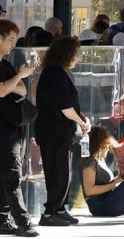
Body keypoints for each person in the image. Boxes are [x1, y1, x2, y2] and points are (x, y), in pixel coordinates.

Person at [0, 20, 38, 237]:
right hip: (0, 127)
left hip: (14, 124)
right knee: (12, 175)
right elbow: (2, 91)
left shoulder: (5, 65)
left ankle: (1, 221)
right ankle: (23, 222)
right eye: (11, 39)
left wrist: (15, 80)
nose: (13, 44)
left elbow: (20, 90)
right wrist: (18, 78)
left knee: (9, 174)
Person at [35, 37, 90, 226]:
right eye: (75, 55)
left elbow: (68, 105)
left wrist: (81, 118)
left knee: (63, 173)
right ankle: (50, 212)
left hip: (59, 132)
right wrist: (81, 122)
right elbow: (64, 107)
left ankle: (58, 208)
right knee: (58, 173)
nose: (77, 59)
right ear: (66, 55)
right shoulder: (54, 74)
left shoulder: (56, 73)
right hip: (53, 133)